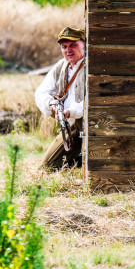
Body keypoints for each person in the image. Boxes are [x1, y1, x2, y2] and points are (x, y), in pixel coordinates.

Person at [35, 27, 86, 169]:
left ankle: (82, 159)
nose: (68, 50)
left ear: (84, 44)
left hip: (88, 125)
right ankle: (78, 160)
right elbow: (41, 92)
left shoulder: (92, 67)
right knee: (46, 168)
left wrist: (70, 111)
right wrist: (51, 104)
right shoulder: (60, 67)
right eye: (64, 47)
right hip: (70, 127)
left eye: (73, 45)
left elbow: (93, 102)